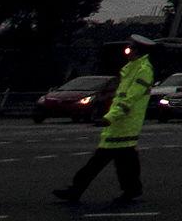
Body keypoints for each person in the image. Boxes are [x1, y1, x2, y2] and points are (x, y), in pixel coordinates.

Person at [55, 35, 152, 207]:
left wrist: (109, 117)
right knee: (123, 162)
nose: (127, 51)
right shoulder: (133, 68)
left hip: (124, 124)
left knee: (102, 161)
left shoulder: (142, 70)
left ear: (138, 50)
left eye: (130, 48)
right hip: (121, 124)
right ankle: (131, 190)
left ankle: (76, 190)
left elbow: (129, 99)